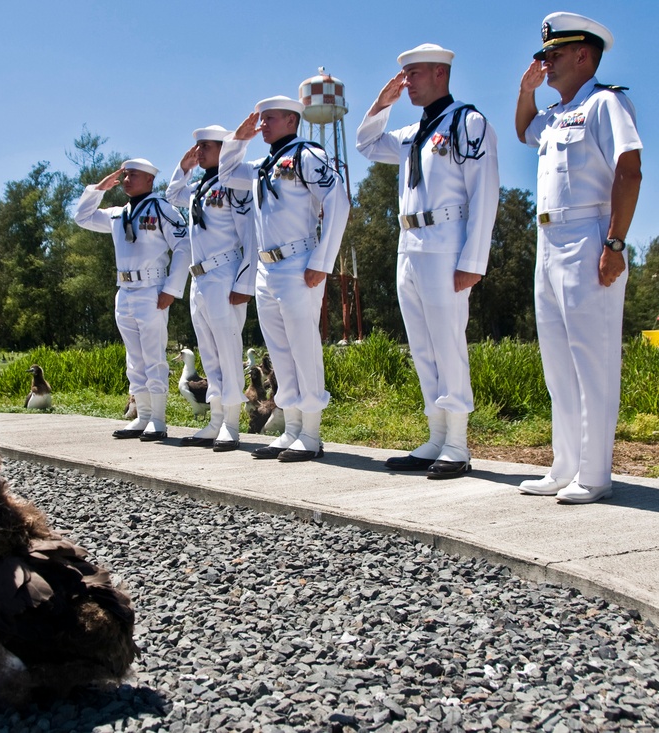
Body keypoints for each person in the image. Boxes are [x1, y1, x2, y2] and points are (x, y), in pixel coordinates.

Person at [356, 43, 499, 479]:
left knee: (447, 344)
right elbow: (366, 143)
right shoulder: (412, 133)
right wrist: (381, 104)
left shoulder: (467, 123)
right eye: (404, 75)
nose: (407, 83)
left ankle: (457, 442)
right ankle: (436, 437)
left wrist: (473, 259)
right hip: (410, 244)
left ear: (440, 72)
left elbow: (485, 192)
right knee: (422, 346)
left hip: (447, 244)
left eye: (414, 74)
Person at [515, 13, 642, 504]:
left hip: (590, 236)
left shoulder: (605, 103)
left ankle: (594, 473)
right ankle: (564, 463)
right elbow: (526, 129)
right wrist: (527, 91)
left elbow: (628, 172)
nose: (544, 62)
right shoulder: (555, 114)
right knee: (557, 362)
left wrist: (614, 244)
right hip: (548, 240)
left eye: (553, 54)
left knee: (593, 358)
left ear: (582, 55)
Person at [219, 96, 350, 462]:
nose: (263, 124)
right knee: (280, 352)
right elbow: (227, 173)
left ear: (292, 120)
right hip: (266, 268)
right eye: (261, 119)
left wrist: (323, 260)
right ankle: (291, 428)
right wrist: (238, 139)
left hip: (298, 262)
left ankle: (311, 433)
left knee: (304, 348)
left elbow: (338, 201)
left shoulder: (308, 155)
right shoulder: (262, 164)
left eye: (270, 119)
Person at [74, 158, 190, 441]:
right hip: (124, 291)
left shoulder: (162, 209)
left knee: (153, 356)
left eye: (133, 175)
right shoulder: (117, 214)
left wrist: (171, 290)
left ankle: (158, 420)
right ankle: (143, 416)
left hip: (152, 290)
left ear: (150, 179)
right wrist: (98, 189)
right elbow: (82, 217)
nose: (126, 179)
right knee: (134, 360)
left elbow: (184, 246)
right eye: (125, 175)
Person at [165, 125, 256, 452]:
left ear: (225, 148)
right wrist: (184, 167)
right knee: (209, 353)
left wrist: (245, 282)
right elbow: (173, 195)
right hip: (199, 279)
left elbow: (251, 234)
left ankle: (231, 423)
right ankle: (216, 419)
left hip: (225, 273)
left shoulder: (236, 184)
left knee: (229, 353)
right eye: (197, 146)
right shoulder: (199, 187)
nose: (199, 151)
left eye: (206, 146)